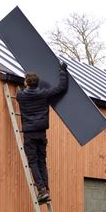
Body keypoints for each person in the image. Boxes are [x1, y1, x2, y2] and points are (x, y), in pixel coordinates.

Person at [16, 62, 68, 204]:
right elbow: (61, 88)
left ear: (27, 82)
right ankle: (46, 189)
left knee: (33, 161)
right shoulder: (44, 94)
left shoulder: (20, 96)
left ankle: (42, 190)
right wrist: (63, 71)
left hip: (29, 133)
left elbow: (20, 90)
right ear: (37, 84)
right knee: (41, 162)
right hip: (41, 133)